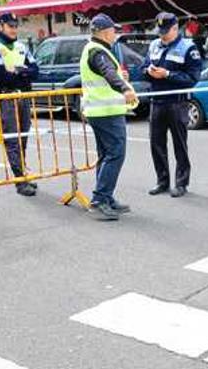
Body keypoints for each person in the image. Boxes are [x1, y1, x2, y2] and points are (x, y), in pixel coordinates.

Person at [80, 14, 139, 220]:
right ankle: (100, 200)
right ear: (105, 32)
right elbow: (107, 72)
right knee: (116, 153)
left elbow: (106, 74)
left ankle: (106, 197)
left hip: (99, 112)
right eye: (114, 30)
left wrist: (120, 78)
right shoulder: (98, 51)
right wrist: (124, 88)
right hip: (106, 112)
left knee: (106, 155)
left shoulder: (96, 50)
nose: (116, 33)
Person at [141, 12, 203, 198]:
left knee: (179, 145)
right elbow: (142, 69)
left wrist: (167, 74)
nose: (162, 34)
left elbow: (193, 78)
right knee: (156, 144)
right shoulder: (154, 45)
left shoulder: (188, 48)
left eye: (166, 31)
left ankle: (181, 183)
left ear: (176, 29)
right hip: (157, 102)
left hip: (178, 103)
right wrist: (148, 71)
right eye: (160, 30)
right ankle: (162, 181)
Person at [0, 13, 40, 197]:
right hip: (6, 97)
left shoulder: (21, 46)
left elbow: (35, 71)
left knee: (23, 137)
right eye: (10, 26)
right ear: (0, 26)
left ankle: (22, 174)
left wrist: (18, 74)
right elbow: (1, 75)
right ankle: (19, 180)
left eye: (16, 25)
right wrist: (22, 74)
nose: (14, 29)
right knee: (12, 139)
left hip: (23, 97)